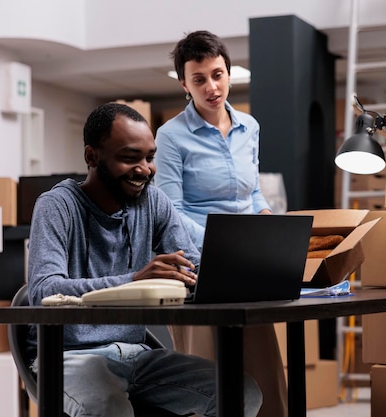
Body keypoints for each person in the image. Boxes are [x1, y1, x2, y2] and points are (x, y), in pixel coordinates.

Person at [26, 102, 263, 417]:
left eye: (149, 157)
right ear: (91, 156)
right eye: (129, 158)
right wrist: (134, 280)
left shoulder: (152, 201)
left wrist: (241, 271)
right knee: (108, 408)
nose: (145, 169)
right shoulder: (57, 205)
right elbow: (44, 291)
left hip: (137, 355)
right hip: (69, 355)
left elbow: (191, 269)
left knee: (242, 393)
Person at [154, 30, 288, 417]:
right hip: (201, 264)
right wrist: (226, 240)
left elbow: (254, 194)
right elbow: (172, 212)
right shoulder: (171, 136)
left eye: (217, 74)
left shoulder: (250, 126)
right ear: (184, 84)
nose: (211, 87)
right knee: (208, 373)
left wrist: (266, 223)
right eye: (199, 79)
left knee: (262, 365)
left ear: (229, 72)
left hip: (250, 262)